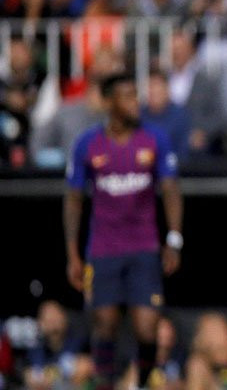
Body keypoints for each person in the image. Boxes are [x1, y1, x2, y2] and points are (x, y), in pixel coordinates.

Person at [63, 73, 184, 390]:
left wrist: (173, 239)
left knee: (147, 328)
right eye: (127, 96)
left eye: (136, 94)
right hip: (103, 249)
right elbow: (74, 200)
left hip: (144, 247)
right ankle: (105, 384)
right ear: (108, 102)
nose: (136, 102)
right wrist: (73, 254)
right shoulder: (88, 144)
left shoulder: (154, 139)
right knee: (104, 326)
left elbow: (171, 191)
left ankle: (141, 382)